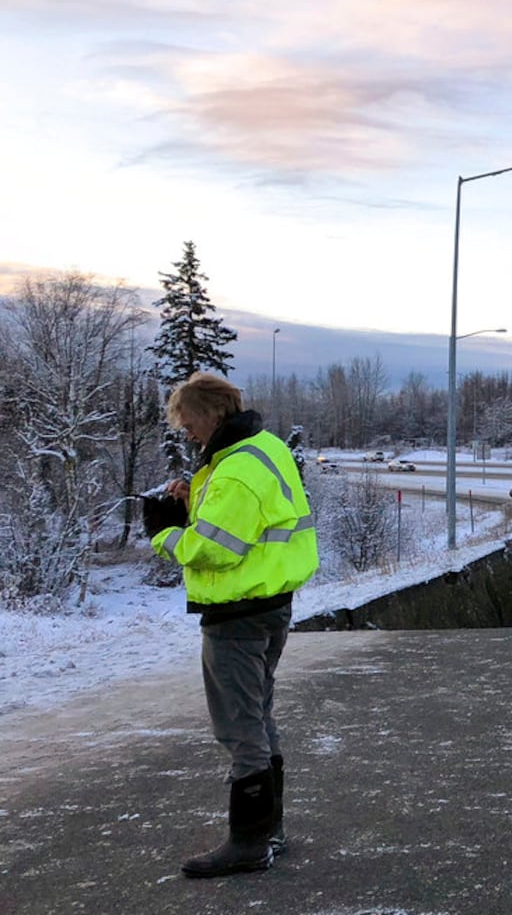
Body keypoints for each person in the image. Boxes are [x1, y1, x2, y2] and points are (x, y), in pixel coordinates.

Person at [144, 372, 318, 879]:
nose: (188, 433)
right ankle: (270, 831)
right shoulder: (261, 448)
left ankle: (248, 843)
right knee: (258, 717)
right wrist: (193, 500)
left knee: (240, 727)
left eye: (190, 422)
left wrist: (166, 533)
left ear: (213, 414)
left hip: (237, 615)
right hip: (269, 604)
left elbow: (215, 548)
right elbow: (250, 522)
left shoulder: (237, 469)